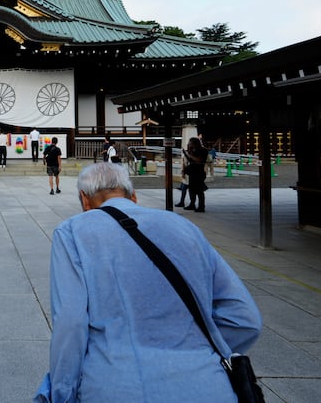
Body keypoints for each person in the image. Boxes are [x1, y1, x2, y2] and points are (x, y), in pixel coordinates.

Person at [35, 162, 262, 402]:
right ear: (133, 195)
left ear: (84, 199)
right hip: (210, 387)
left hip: (115, 385)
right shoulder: (185, 227)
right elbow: (245, 318)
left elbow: (71, 322)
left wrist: (62, 394)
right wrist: (193, 349)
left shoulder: (72, 232)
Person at [183, 136, 209, 212]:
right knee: (191, 190)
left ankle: (201, 206)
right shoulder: (193, 150)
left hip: (199, 172)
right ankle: (192, 204)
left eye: (190, 143)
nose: (189, 144)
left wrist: (190, 154)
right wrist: (187, 153)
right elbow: (190, 160)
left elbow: (199, 160)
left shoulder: (203, 150)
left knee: (199, 190)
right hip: (192, 172)